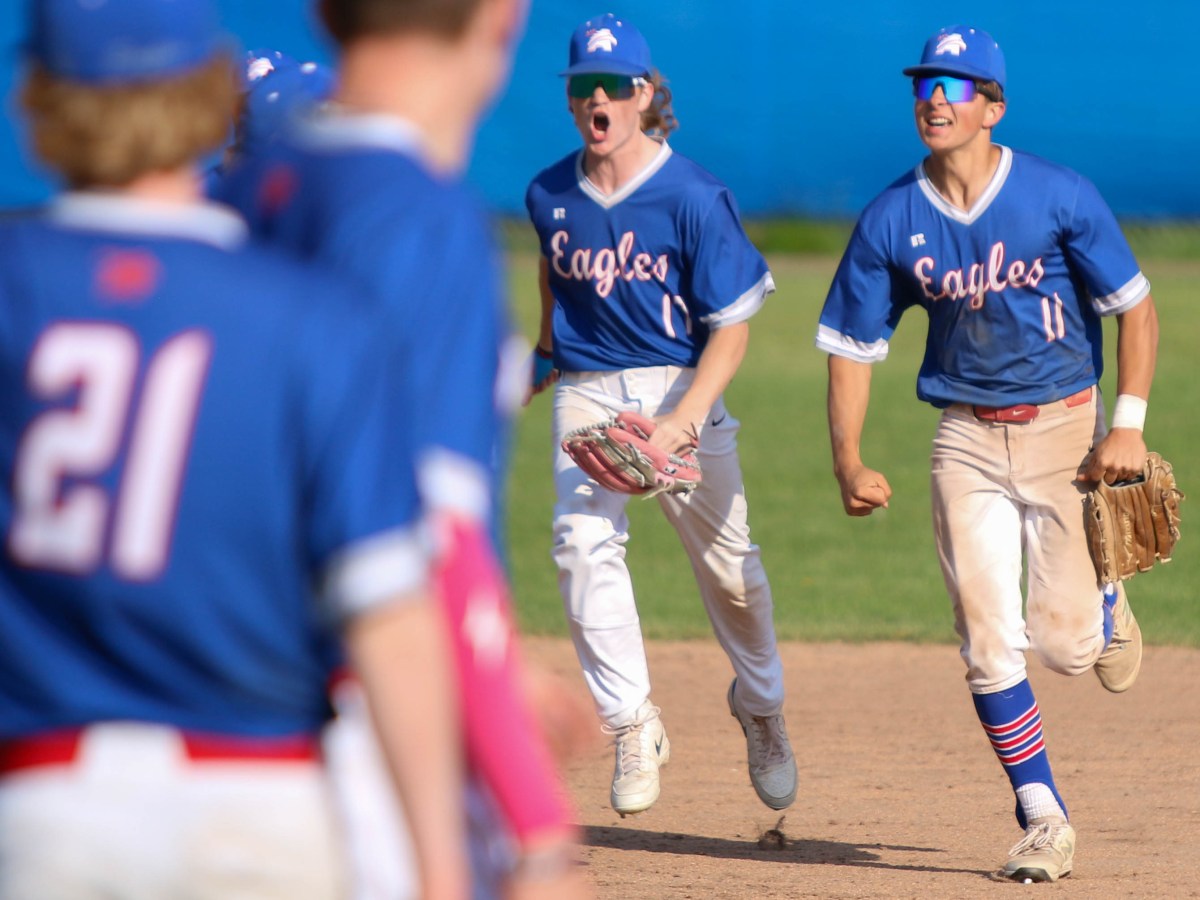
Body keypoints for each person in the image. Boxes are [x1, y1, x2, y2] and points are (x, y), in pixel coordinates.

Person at [0, 0, 467, 898]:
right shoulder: (314, 319)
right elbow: (387, 612)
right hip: (259, 808)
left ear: (37, 101)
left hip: (45, 805)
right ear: (214, 95)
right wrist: (443, 870)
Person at [216, 2, 590, 898]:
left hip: (202, 710)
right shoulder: (418, 219)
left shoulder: (235, 204)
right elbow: (428, 548)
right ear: (501, 18)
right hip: (359, 727)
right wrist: (534, 819)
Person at [817, 24, 1158, 884]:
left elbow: (1135, 307)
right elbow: (851, 348)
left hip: (1066, 429)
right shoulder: (892, 218)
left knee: (1068, 650)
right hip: (964, 438)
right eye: (925, 85)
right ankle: (1043, 815)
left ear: (993, 107)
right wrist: (848, 460)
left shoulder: (1057, 194)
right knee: (985, 637)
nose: (935, 99)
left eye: (956, 86)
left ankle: (1106, 599)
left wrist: (1126, 424)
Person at [524, 12, 797, 819]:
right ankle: (632, 723)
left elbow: (732, 330)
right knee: (580, 544)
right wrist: (544, 352)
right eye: (584, 86)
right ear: (570, 98)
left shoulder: (693, 195)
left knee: (731, 567)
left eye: (615, 85)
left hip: (681, 384)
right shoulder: (549, 192)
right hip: (587, 386)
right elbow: (552, 269)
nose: (598, 99)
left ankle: (761, 704)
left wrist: (685, 420)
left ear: (645, 95)